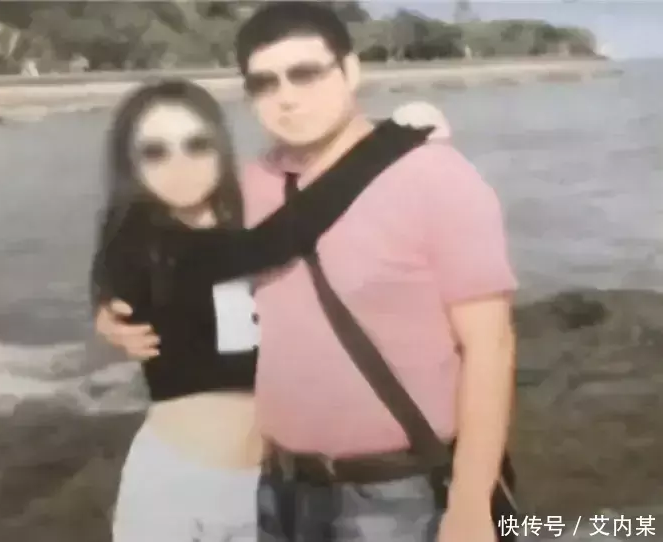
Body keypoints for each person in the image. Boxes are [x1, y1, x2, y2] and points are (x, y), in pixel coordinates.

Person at [97, 2, 517, 541]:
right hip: (279, 489)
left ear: (351, 70)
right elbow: (171, 241)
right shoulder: (247, 189)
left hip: (398, 492)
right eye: (265, 83)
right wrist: (107, 304)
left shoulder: (436, 176)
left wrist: (472, 501)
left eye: (306, 73)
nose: (287, 96)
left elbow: (491, 344)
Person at [92, 78, 425, 542]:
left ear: (220, 146)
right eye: (154, 151)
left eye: (196, 144)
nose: (179, 164)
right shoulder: (142, 242)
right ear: (130, 164)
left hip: (268, 489)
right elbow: (280, 239)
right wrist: (390, 140)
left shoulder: (243, 213)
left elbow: (306, 194)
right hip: (177, 488)